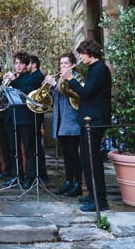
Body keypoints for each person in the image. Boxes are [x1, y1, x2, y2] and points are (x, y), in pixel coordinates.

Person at [61, 40, 111, 212]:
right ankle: (92, 194)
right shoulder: (93, 69)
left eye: (82, 53)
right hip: (89, 120)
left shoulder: (99, 69)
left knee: (92, 160)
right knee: (87, 158)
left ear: (91, 53)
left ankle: (100, 201)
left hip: (95, 121)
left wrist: (71, 79)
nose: (80, 56)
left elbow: (86, 92)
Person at [2, 52, 42, 189]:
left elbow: (25, 91)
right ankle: (16, 175)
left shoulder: (30, 78)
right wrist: (4, 83)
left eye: (20, 63)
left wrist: (13, 80)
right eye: (16, 63)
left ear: (26, 65)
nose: (17, 66)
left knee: (29, 149)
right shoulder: (15, 78)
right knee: (13, 149)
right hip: (11, 117)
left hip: (25, 119)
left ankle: (30, 177)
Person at [45, 53, 81, 197]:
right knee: (65, 155)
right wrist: (49, 87)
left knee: (73, 154)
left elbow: (75, 94)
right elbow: (55, 98)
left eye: (66, 63)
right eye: (61, 64)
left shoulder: (76, 77)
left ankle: (77, 183)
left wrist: (55, 85)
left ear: (72, 64)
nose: (63, 66)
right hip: (60, 121)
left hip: (72, 121)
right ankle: (68, 182)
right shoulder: (61, 79)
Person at [28, 55, 47, 180]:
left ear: (34, 64)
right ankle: (39, 172)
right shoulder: (32, 76)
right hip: (32, 114)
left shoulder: (38, 76)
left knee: (36, 146)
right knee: (34, 145)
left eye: (27, 63)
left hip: (35, 114)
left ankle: (40, 173)